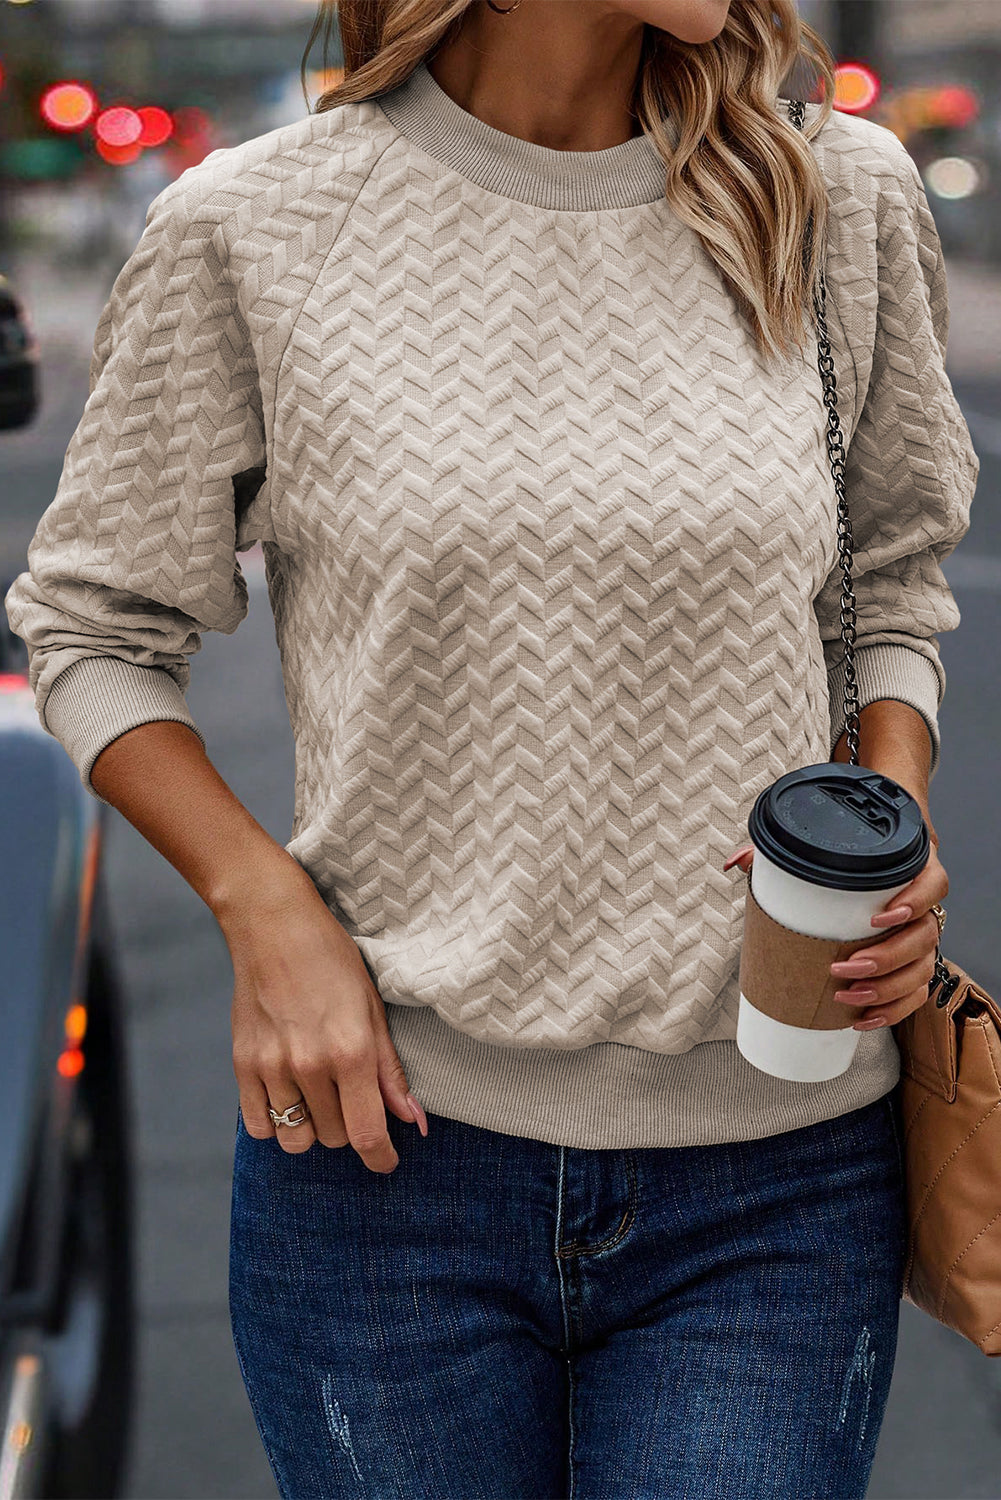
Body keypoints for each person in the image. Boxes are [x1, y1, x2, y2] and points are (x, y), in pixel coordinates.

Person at [3, 0, 979, 1494]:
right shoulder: (255, 228)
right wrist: (264, 912)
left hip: (773, 1174)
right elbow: (91, 625)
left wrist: (884, 814)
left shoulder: (829, 194)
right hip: (384, 1170)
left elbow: (892, 577)